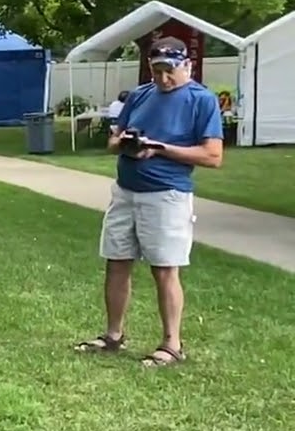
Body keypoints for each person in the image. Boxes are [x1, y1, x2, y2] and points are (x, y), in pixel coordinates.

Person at [75, 36, 223, 366]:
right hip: (125, 191)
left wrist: (160, 148)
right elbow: (114, 138)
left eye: (169, 71)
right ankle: (113, 336)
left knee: (164, 269)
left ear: (187, 65)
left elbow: (213, 156)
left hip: (166, 195)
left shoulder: (201, 100)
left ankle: (172, 344)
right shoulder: (141, 95)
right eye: (156, 71)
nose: (162, 78)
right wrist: (124, 143)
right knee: (117, 261)